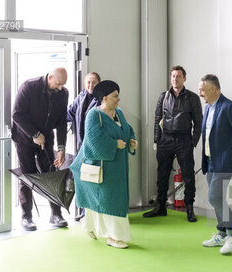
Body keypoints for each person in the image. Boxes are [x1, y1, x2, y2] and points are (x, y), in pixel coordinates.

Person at [70, 80, 138, 249]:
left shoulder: (119, 113)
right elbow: (93, 140)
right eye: (115, 96)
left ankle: (89, 225)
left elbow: (128, 130)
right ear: (105, 98)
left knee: (106, 201)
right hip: (101, 167)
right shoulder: (94, 115)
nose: (118, 99)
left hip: (117, 167)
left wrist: (132, 140)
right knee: (108, 201)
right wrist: (115, 144)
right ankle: (113, 236)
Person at [12, 67, 69, 231]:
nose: (60, 88)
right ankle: (26, 217)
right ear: (50, 77)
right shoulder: (29, 87)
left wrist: (61, 148)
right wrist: (35, 134)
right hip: (24, 139)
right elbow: (17, 114)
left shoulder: (63, 93)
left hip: (47, 139)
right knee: (27, 176)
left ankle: (55, 214)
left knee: (51, 175)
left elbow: (62, 122)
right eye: (58, 84)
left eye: (63, 85)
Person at [143, 66, 203, 222]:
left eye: (179, 76)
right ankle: (160, 206)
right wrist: (156, 140)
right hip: (166, 140)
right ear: (171, 78)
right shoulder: (163, 97)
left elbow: (198, 122)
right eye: (173, 76)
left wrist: (193, 142)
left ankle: (189, 207)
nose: (175, 79)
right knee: (162, 174)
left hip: (184, 140)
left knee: (188, 175)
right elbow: (157, 120)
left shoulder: (192, 98)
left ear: (184, 78)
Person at [198, 74, 232, 254]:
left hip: (225, 161)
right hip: (210, 161)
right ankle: (222, 232)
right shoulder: (209, 108)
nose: (200, 93)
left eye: (202, 89)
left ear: (213, 89)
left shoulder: (229, 108)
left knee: (214, 197)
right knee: (218, 198)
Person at [67, 72, 101, 221]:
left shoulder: (102, 99)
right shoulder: (80, 97)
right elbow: (69, 113)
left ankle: (92, 212)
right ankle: (84, 211)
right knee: (82, 179)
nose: (90, 85)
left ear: (99, 83)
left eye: (93, 82)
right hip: (81, 146)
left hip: (94, 147)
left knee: (93, 178)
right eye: (88, 82)